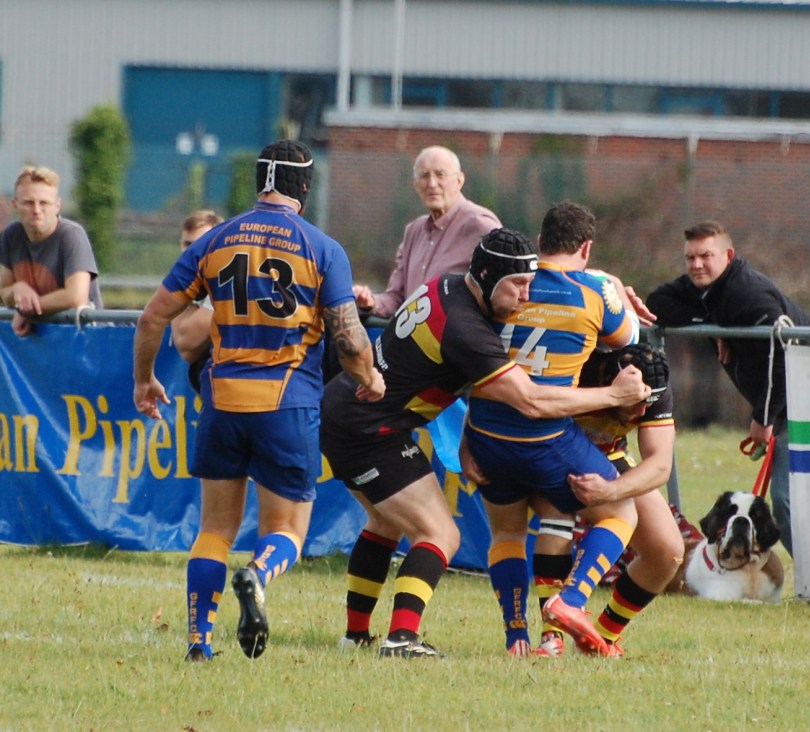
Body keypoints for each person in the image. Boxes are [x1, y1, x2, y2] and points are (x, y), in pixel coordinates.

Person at [319, 226, 650, 659]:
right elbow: (530, 400)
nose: (526, 296)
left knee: (383, 524)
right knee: (439, 533)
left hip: (348, 412)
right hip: (369, 431)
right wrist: (614, 396)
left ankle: (355, 635)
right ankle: (401, 640)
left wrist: (608, 285)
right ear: (488, 277)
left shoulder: (451, 285)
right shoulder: (465, 328)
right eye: (518, 285)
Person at [132, 140, 385, 662]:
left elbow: (153, 316)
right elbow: (349, 339)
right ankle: (258, 574)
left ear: (258, 182)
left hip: (222, 403)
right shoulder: (322, 248)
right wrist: (371, 378)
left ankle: (199, 642)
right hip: (286, 405)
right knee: (287, 529)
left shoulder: (215, 240)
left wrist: (144, 380)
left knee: (214, 529)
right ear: (305, 187)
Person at [462, 202, 642, 657]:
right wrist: (610, 283)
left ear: (540, 242)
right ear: (587, 248)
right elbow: (629, 336)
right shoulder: (593, 292)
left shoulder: (507, 284)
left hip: (485, 434)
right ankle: (571, 600)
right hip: (545, 438)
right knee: (621, 511)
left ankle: (517, 637)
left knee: (507, 534)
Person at [646, 220, 810, 557]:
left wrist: (763, 417)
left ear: (728, 256)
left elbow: (783, 359)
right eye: (690, 258)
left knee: (786, 502)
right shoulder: (708, 290)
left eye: (706, 256)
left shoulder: (749, 294)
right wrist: (717, 325)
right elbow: (657, 302)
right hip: (786, 405)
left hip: (809, 401)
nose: (696, 265)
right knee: (791, 502)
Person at [516, 342, 685, 658]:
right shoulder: (577, 368)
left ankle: (601, 638)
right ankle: (552, 637)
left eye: (648, 403)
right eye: (635, 403)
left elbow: (660, 465)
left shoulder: (652, 386)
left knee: (667, 551)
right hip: (551, 452)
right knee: (558, 514)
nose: (641, 412)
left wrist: (612, 490)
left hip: (609, 458)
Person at [353, 145, 500, 318]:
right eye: (424, 176)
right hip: (413, 332)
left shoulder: (480, 225)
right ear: (415, 184)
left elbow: (502, 290)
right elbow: (396, 297)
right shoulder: (414, 231)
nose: (431, 184)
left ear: (459, 180)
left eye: (440, 174)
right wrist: (371, 302)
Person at [0, 165, 103, 337]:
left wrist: (28, 310)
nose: (36, 210)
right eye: (28, 203)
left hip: (83, 339)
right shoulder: (11, 235)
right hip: (38, 342)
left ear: (57, 206)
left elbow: (76, 296)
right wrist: (17, 289)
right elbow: (4, 290)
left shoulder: (71, 235)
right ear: (15, 205)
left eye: (44, 203)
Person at [169, 209, 223, 390]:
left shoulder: (222, 280)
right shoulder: (187, 281)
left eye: (201, 243)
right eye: (187, 244)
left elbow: (186, 341)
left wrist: (182, 307)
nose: (192, 251)